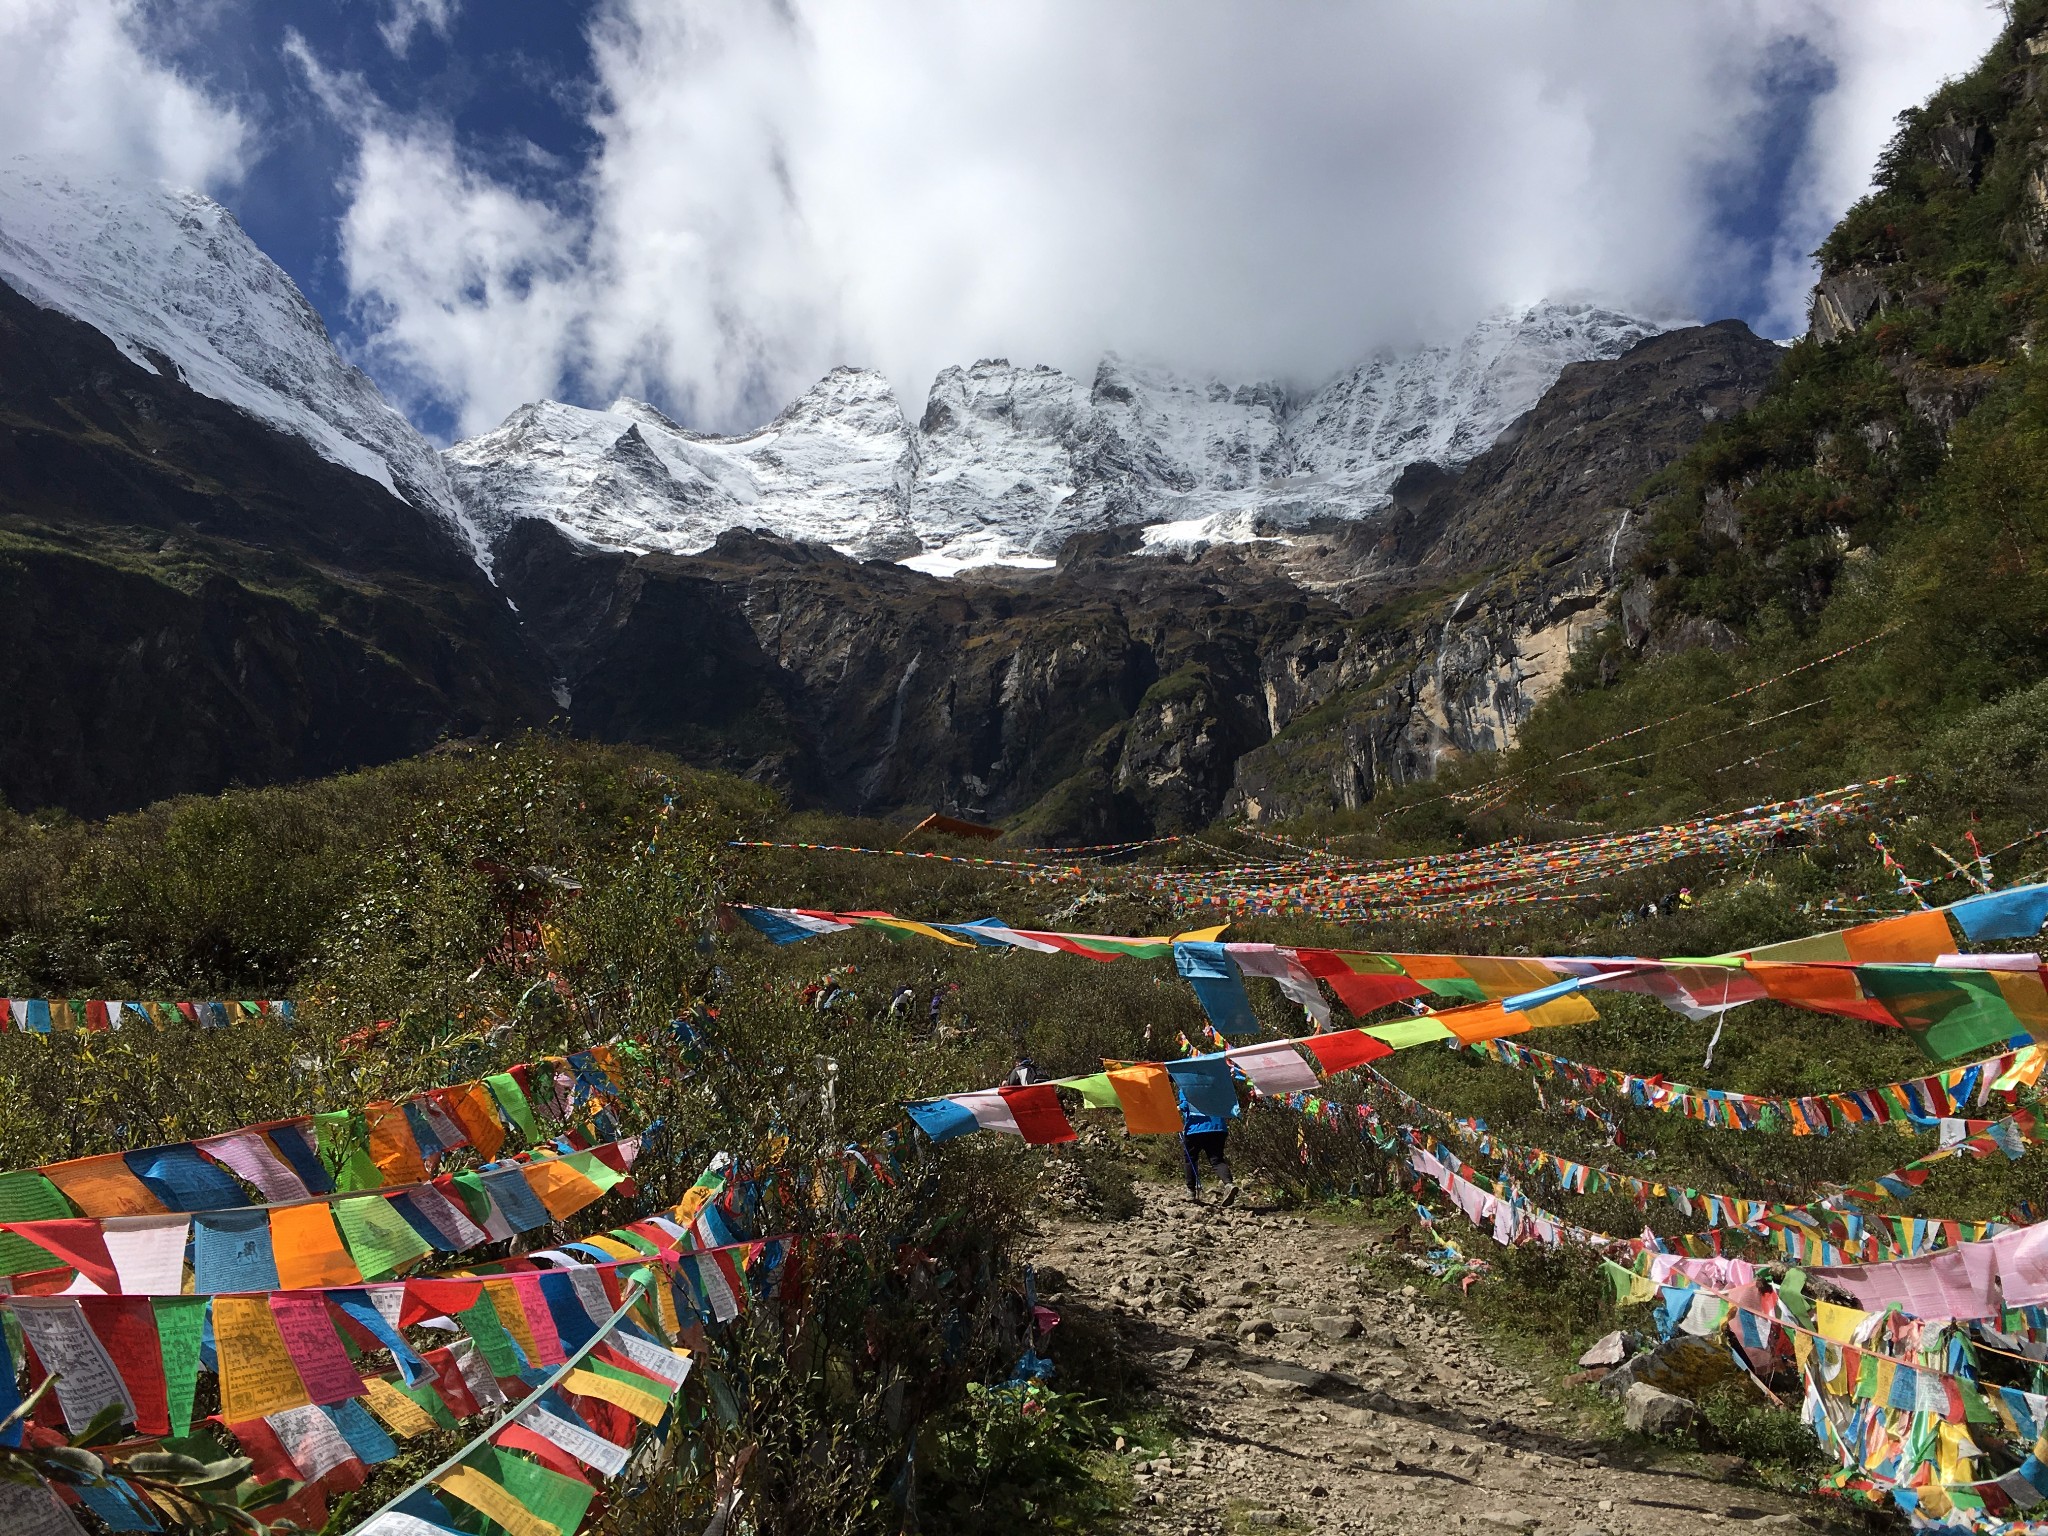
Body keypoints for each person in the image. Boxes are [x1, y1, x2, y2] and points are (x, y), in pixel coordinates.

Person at [1178, 1089, 1236, 1203]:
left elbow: (1186, 1104)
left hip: (1195, 1129)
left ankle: (1191, 1191)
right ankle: (1229, 1184)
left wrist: (1176, 1108)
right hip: (1218, 1127)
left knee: (1191, 1159)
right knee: (1217, 1160)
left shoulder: (1186, 1085)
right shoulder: (1214, 1084)